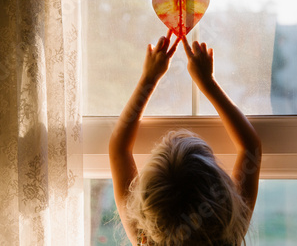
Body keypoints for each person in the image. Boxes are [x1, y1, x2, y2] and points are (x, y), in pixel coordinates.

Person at [109, 29, 262, 245]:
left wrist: (149, 78)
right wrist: (208, 83)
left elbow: (119, 149)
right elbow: (250, 148)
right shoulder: (226, 235)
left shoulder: (147, 240)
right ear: (226, 204)